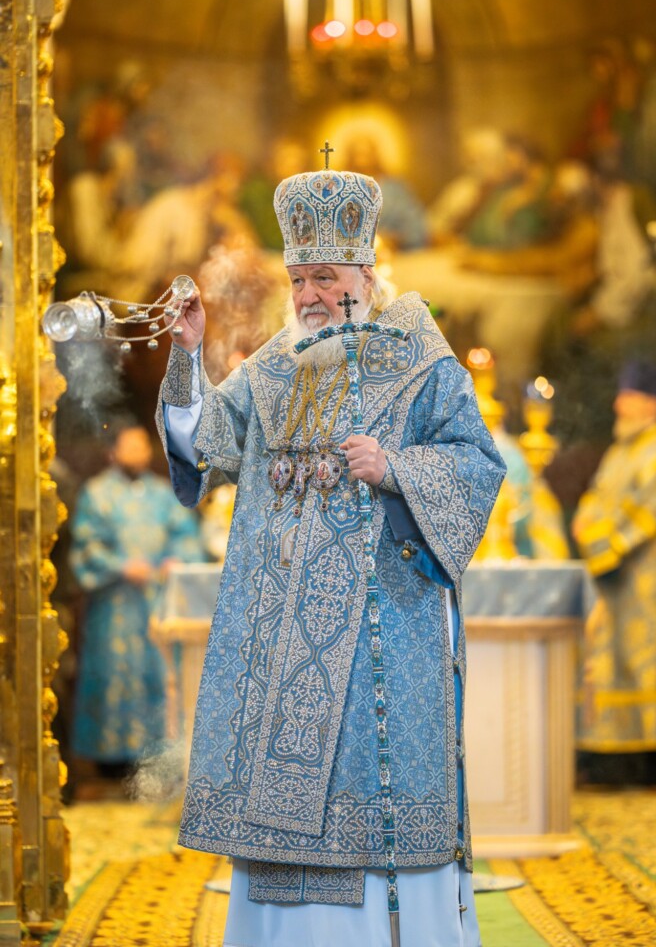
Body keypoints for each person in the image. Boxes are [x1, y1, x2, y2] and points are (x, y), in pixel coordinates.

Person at [158, 157, 506, 947]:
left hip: (390, 633)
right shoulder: (273, 368)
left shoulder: (421, 359)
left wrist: (396, 469)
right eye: (298, 279)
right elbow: (203, 449)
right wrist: (187, 355)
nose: (309, 294)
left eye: (325, 276)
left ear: (365, 273)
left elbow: (478, 465)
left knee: (373, 806)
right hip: (280, 647)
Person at [70, 422, 205, 778]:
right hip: (115, 603)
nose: (138, 453)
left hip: (156, 601)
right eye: (130, 446)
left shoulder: (163, 493)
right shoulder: (96, 493)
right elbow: (87, 545)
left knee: (158, 674)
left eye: (143, 446)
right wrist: (120, 566)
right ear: (112, 452)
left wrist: (176, 558)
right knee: (114, 673)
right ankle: (111, 763)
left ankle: (157, 758)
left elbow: (186, 535)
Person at [573, 361, 656, 785]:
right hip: (609, 575)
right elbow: (596, 495)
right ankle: (608, 757)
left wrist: (610, 544)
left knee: (642, 659)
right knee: (606, 661)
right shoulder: (620, 450)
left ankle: (647, 759)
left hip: (644, 575)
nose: (619, 404)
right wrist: (586, 526)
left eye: (629, 396)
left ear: (652, 403)